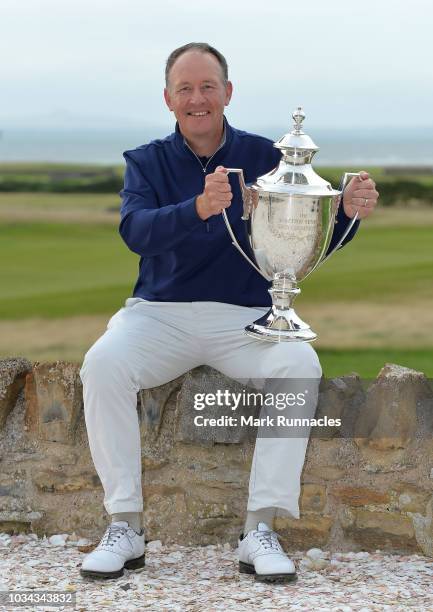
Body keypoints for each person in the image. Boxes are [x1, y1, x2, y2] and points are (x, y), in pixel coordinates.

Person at [79, 42, 379, 583]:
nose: (198, 99)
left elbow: (300, 244)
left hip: (246, 318)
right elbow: (135, 232)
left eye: (208, 86)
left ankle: (259, 529)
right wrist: (196, 207)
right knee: (102, 364)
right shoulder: (144, 161)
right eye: (186, 89)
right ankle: (125, 524)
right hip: (157, 315)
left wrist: (349, 216)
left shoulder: (269, 156)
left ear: (228, 93)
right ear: (169, 99)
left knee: (300, 367)